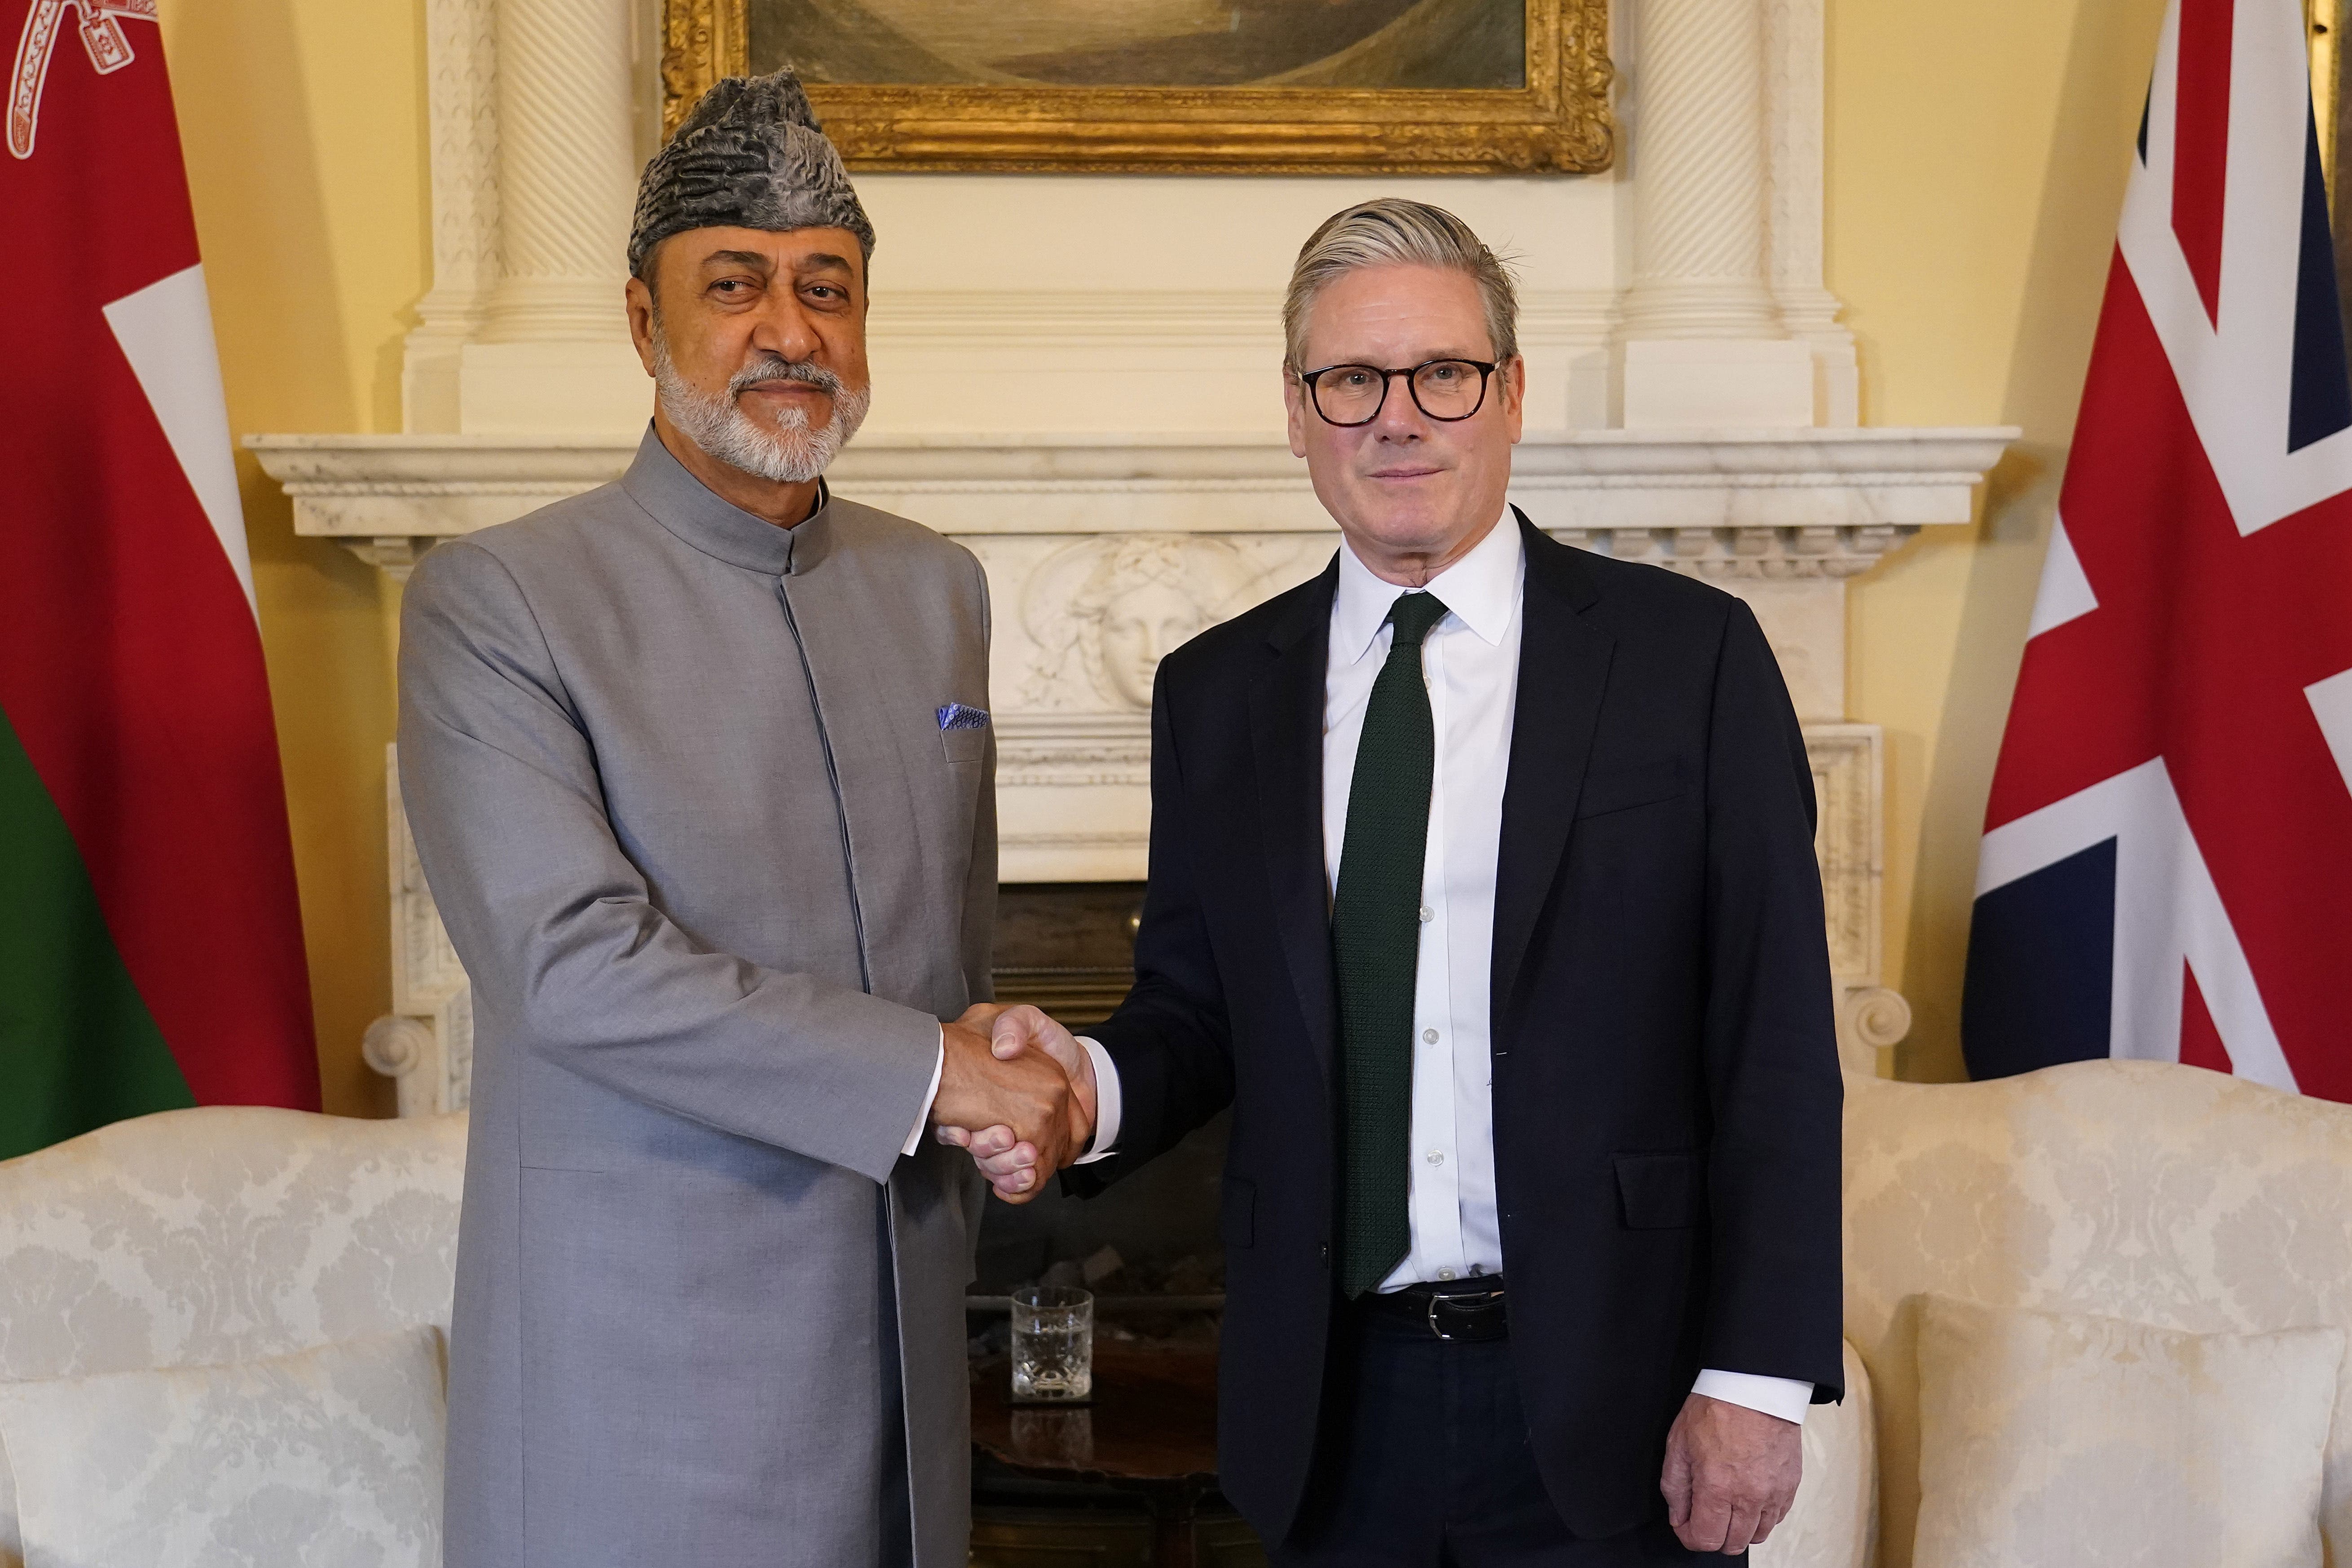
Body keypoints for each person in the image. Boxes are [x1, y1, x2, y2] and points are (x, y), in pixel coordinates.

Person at [947, 199, 1843, 1564]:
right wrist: (1081, 1082)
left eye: (1445, 373)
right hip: (1330, 1412)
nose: (1398, 417)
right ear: (1299, 414)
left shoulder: (1690, 661)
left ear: (1512, 394)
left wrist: (1757, 1379)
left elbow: (1775, 1039)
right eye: (1352, 380)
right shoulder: (1217, 694)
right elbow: (1194, 1009)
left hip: (1622, 1398)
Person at [399, 70, 1089, 1568]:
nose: (791, 332)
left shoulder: (935, 588)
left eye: (826, 289)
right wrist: (941, 1076)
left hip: (908, 1353)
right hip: (641, 1385)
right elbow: (571, 968)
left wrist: (1000, 1089)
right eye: (736, 284)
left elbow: (945, 953)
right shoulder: (501, 598)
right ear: (645, 326)